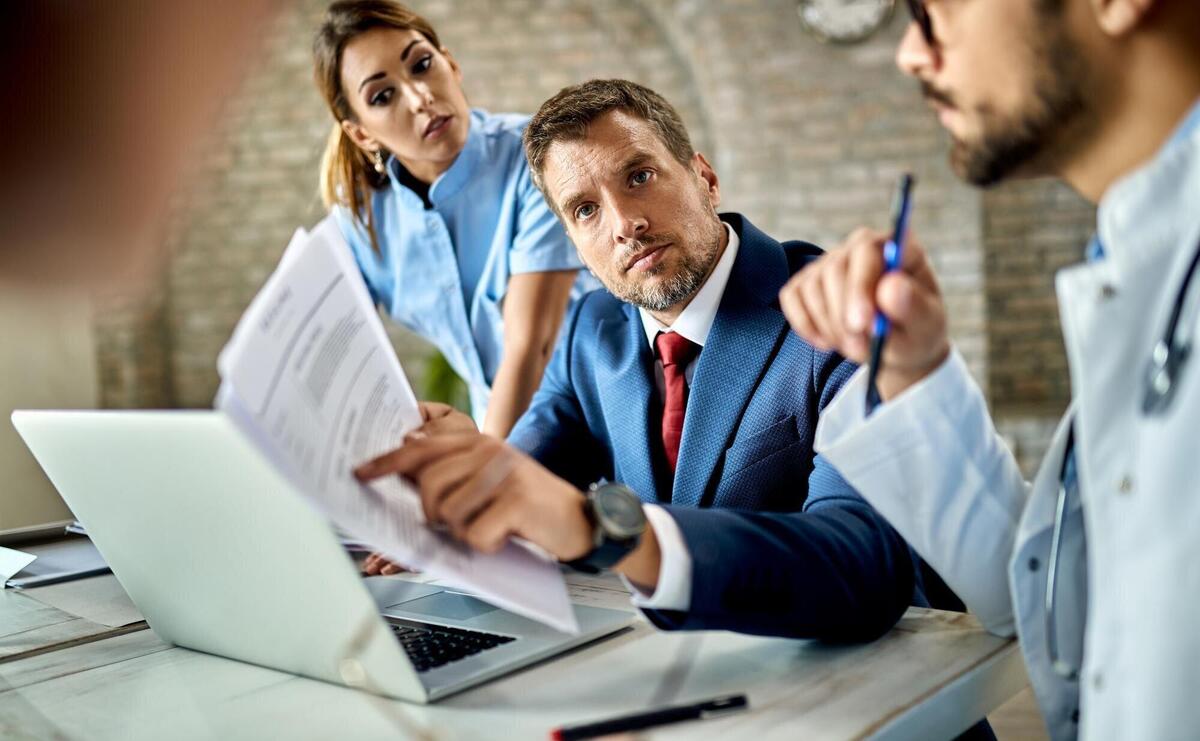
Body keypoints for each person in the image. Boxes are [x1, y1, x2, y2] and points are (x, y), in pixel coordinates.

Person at [355, 80, 924, 643]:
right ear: (575, 242)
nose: (624, 224)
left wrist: (613, 533)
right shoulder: (590, 333)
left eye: (639, 176)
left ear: (704, 178)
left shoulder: (838, 315)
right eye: (585, 210)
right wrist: (465, 478)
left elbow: (866, 565)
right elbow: (522, 485)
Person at [776, 0, 1200, 738]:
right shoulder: (1140, 254)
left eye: (932, 9)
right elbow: (1061, 605)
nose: (911, 53)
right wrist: (915, 374)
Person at [314, 0, 592, 437]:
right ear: (362, 132)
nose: (420, 97)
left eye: (422, 65)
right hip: (495, 426)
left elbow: (531, 348)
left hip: (592, 424)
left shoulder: (536, 156)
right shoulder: (361, 220)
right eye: (383, 96)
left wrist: (488, 472)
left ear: (451, 64)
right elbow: (337, 356)